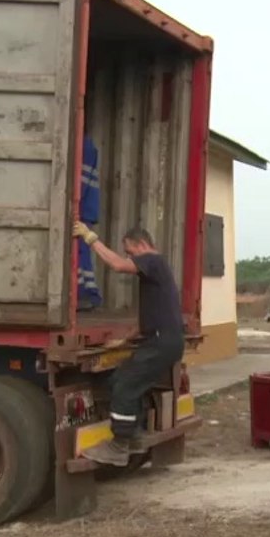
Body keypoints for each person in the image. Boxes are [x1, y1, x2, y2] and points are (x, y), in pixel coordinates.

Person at [73, 222, 183, 466]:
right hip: (164, 340)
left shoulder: (153, 261)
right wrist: (125, 339)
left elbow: (117, 265)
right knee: (122, 381)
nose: (129, 257)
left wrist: (90, 238)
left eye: (130, 252)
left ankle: (119, 445)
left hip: (161, 342)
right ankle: (134, 436)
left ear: (142, 245)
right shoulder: (157, 270)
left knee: (125, 385)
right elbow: (154, 315)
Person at [76, 135, 103, 311]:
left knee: (80, 251)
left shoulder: (84, 147)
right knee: (81, 252)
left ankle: (86, 294)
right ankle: (87, 294)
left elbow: (79, 184)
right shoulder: (87, 146)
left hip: (82, 208)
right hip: (86, 208)